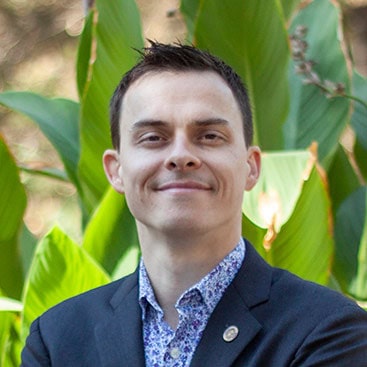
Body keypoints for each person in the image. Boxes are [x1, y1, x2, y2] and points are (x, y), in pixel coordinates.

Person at [21, 42, 367, 367]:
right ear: (117, 171)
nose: (181, 156)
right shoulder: (56, 340)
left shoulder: (328, 330)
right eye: (154, 138)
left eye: (209, 136)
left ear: (251, 167)